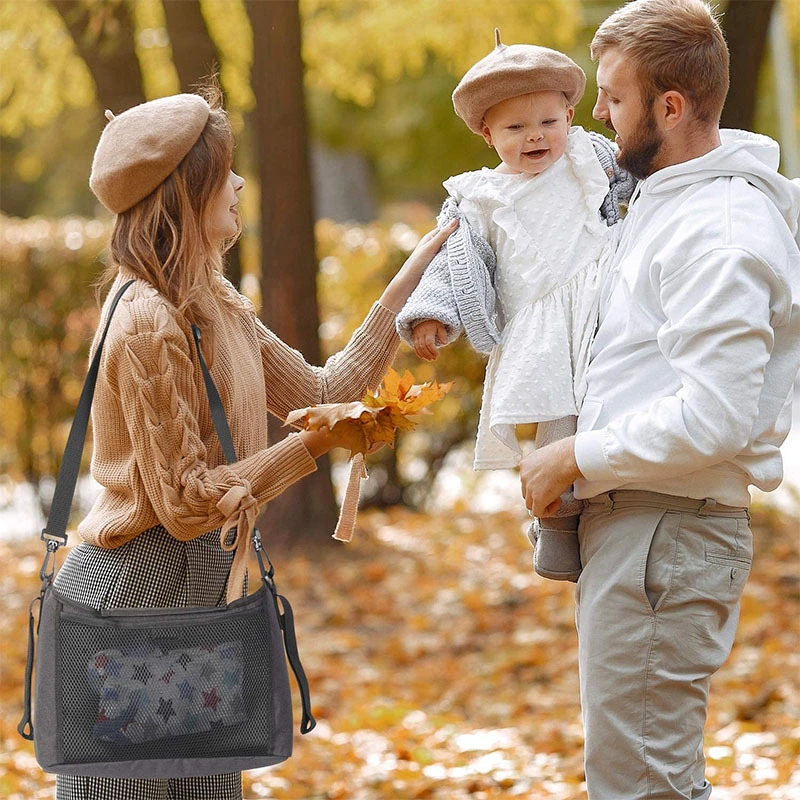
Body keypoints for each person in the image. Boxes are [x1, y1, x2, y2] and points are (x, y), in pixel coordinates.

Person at [51, 85, 456, 800]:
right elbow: (182, 504)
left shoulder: (216, 302)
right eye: (224, 170)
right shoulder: (149, 319)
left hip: (201, 594)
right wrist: (309, 448)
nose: (239, 183)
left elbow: (322, 392)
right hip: (134, 599)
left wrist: (413, 275)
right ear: (186, 191)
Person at [519, 0, 800, 797]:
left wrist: (575, 455)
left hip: (666, 530)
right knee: (639, 776)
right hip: (642, 529)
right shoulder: (664, 202)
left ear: (670, 108)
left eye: (612, 98)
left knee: (643, 785)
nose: (598, 118)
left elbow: (716, 415)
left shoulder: (718, 230)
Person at [396, 30, 635, 581]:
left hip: (604, 304)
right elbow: (453, 258)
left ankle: (612, 499)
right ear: (486, 134)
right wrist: (435, 314)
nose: (536, 137)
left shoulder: (590, 155)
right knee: (557, 423)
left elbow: (635, 187)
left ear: (571, 117)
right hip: (541, 325)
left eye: (549, 122)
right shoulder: (480, 195)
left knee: (611, 404)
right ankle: (555, 520)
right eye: (515, 127)